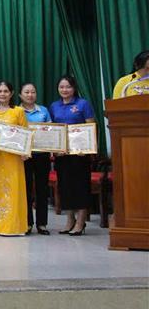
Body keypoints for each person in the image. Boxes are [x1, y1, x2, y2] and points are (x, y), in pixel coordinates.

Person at [49, 75, 96, 236]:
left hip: (80, 154)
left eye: (68, 87)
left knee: (80, 186)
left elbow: (91, 126)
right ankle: (70, 220)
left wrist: (87, 148)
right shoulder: (54, 106)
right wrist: (54, 148)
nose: (65, 90)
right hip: (62, 154)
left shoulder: (83, 104)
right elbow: (53, 129)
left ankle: (81, 222)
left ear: (74, 88)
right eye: (61, 87)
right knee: (65, 186)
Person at [0, 81, 29, 236]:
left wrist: (25, 151)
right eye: (0, 91)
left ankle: (14, 227)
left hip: (14, 157)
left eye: (5, 91)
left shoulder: (18, 111)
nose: (2, 94)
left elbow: (25, 132)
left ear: (11, 94)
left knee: (14, 189)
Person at [19, 82, 52, 235]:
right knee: (25, 190)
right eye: (26, 92)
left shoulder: (43, 111)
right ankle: (27, 223)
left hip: (42, 155)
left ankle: (42, 223)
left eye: (33, 92)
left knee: (42, 189)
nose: (30, 95)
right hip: (24, 156)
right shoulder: (17, 111)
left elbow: (51, 131)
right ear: (20, 95)